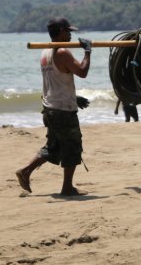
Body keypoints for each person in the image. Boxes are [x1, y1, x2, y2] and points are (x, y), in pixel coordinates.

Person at [15, 17, 92, 196]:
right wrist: (87, 52)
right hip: (63, 110)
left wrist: (74, 97)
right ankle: (67, 188)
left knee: (54, 147)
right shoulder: (62, 52)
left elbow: (57, 80)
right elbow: (82, 72)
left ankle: (26, 171)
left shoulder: (45, 53)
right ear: (60, 32)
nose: (71, 34)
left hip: (50, 107)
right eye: (68, 31)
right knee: (73, 147)